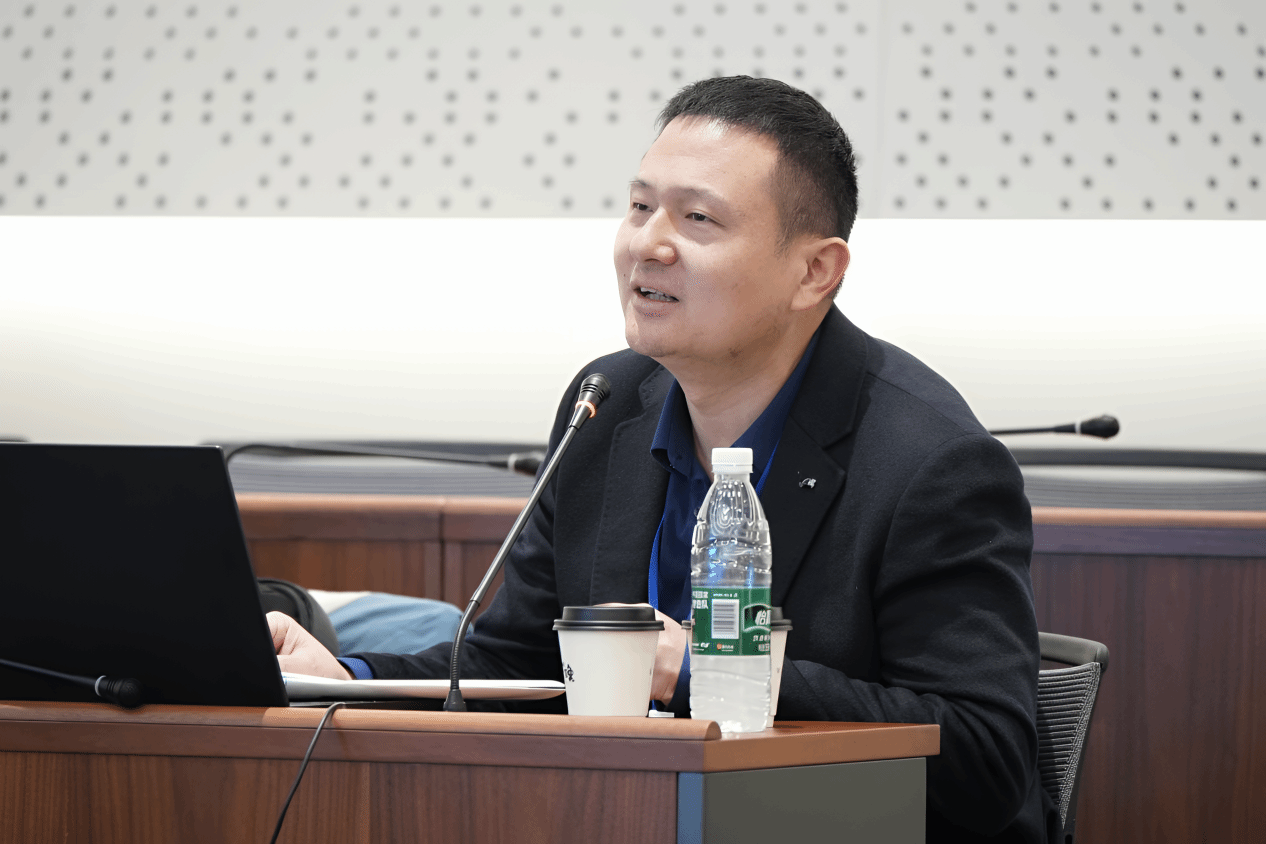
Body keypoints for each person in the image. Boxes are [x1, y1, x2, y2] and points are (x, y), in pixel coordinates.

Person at [270, 76, 1052, 843]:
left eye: (698, 218)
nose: (648, 243)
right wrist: (348, 680)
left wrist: (705, 670)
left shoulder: (929, 461)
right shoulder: (606, 406)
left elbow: (984, 757)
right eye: (641, 207)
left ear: (814, 271)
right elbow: (519, 662)